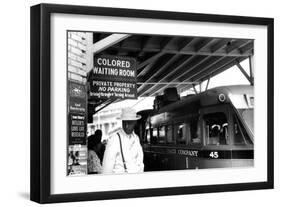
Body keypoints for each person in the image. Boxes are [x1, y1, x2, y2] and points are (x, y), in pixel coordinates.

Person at [102, 108, 144, 174]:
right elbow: (106, 169)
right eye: (124, 122)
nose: (126, 125)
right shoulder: (114, 139)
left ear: (135, 122)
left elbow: (140, 162)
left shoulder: (136, 139)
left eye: (130, 123)